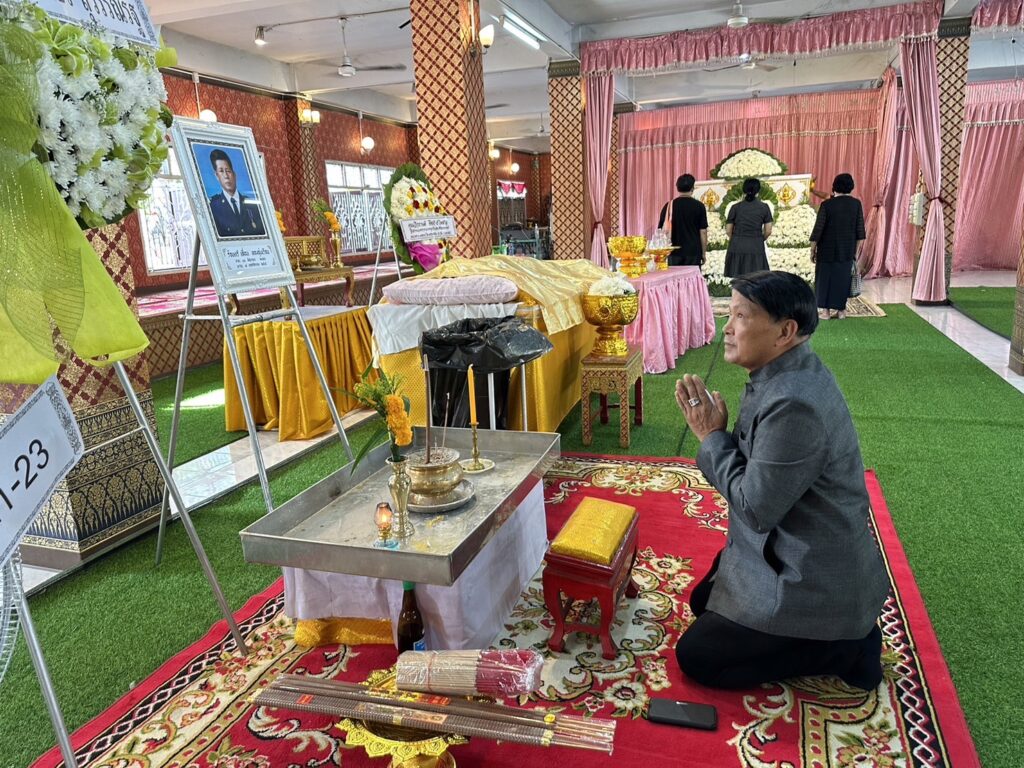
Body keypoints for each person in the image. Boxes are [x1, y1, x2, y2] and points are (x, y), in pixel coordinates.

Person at [673, 270, 888, 690]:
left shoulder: (794, 403)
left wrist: (712, 438)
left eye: (741, 316)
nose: (728, 327)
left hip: (812, 574)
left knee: (697, 657)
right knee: (703, 601)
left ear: (785, 331)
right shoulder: (787, 373)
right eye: (730, 314)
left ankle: (844, 648)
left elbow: (755, 510)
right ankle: (822, 635)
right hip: (794, 546)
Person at [810, 173, 865, 320]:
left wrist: (812, 250)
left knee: (825, 279)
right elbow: (860, 232)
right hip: (847, 250)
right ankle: (841, 311)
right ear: (851, 186)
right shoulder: (856, 204)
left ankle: (826, 312)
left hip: (826, 250)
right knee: (842, 280)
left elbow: (818, 230)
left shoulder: (827, 205)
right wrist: (855, 252)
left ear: (834, 186)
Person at [207, 148, 267, 238]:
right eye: (221, 171)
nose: (226, 176)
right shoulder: (213, 208)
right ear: (217, 176)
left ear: (234, 174)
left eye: (228, 171)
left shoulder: (253, 206)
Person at [724, 178, 773, 277]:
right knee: (757, 278)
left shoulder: (735, 207)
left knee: (738, 277)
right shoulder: (764, 207)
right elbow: (768, 231)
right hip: (756, 245)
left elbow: (728, 230)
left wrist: (737, 238)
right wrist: (759, 238)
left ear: (744, 190)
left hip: (737, 244)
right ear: (758, 190)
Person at [656, 173, 708, 266]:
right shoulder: (699, 206)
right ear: (692, 188)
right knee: (692, 275)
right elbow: (703, 232)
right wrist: (703, 253)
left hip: (673, 252)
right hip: (693, 252)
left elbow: (660, 230)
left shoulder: (668, 206)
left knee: (675, 275)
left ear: (677, 188)